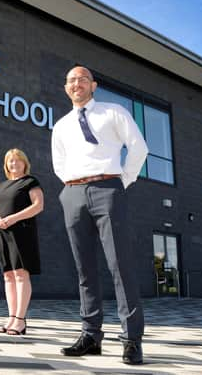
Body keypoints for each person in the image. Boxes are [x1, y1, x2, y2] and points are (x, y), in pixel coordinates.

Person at [51, 66, 148, 365]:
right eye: (71, 80)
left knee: (120, 265)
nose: (76, 83)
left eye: (82, 79)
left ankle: (131, 340)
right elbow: (59, 163)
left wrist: (121, 181)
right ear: (66, 88)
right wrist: (73, 188)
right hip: (74, 193)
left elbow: (138, 148)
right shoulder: (62, 125)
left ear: (93, 85)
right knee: (84, 269)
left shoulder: (113, 111)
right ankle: (91, 336)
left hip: (108, 188)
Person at [0, 149, 44, 335]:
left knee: (21, 274)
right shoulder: (2, 185)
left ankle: (20, 320)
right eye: (11, 161)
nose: (14, 164)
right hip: (2, 231)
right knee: (8, 275)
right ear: (6, 164)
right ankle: (11, 317)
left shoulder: (30, 182)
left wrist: (13, 218)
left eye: (17, 161)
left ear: (24, 163)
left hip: (22, 232)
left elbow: (38, 206)